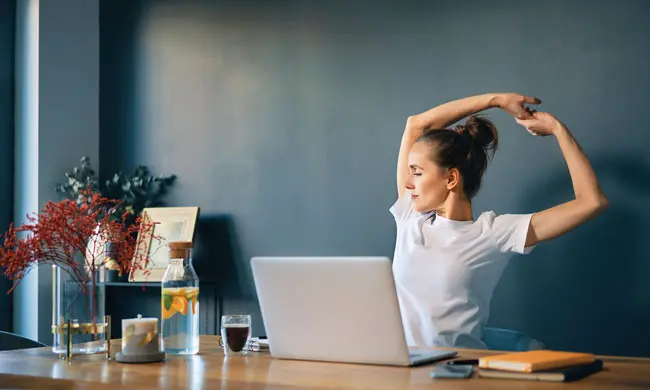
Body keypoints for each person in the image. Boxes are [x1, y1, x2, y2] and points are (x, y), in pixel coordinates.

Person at [390, 92, 608, 349]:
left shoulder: (493, 233)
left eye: (416, 172)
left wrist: (558, 130)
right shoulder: (410, 218)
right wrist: (496, 100)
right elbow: (416, 124)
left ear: (451, 179)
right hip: (402, 372)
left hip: (460, 373)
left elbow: (591, 202)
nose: (407, 182)